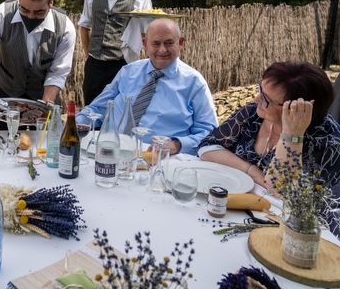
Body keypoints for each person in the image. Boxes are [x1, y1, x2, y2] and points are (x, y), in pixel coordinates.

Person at [76, 18, 217, 156]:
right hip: (112, 151)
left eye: (168, 43)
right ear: (145, 44)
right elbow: (97, 108)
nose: (162, 50)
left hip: (161, 160)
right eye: (156, 43)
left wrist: (176, 144)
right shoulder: (128, 72)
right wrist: (73, 123)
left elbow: (209, 133)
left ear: (180, 43)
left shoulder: (194, 83)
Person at [198, 62, 340, 188]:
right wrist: (251, 170)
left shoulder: (326, 141)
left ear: (295, 108)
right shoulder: (254, 113)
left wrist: (292, 136)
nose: (256, 99)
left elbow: (283, 192)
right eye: (260, 90)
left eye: (266, 99)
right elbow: (207, 147)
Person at [79, 0, 152, 105]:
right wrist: (88, 55)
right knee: (91, 113)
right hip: (94, 66)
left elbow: (147, 35)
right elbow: (84, 25)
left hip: (122, 65)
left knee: (119, 115)